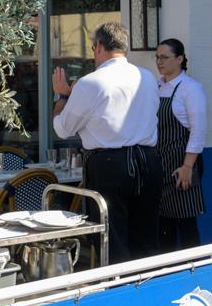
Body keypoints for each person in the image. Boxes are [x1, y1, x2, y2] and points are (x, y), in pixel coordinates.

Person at [52, 21, 162, 262]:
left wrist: (61, 97)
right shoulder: (147, 77)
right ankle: (147, 292)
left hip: (111, 164)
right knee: (146, 237)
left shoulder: (90, 82)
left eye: (93, 48)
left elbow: (63, 128)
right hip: (148, 160)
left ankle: (118, 293)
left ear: (99, 46)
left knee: (112, 240)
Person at [155, 38, 207, 250]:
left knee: (185, 222)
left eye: (164, 57)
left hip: (182, 162)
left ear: (180, 59)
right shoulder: (158, 86)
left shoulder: (190, 88)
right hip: (160, 162)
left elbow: (198, 130)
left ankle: (192, 271)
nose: (159, 62)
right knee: (163, 221)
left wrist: (188, 167)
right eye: (157, 57)